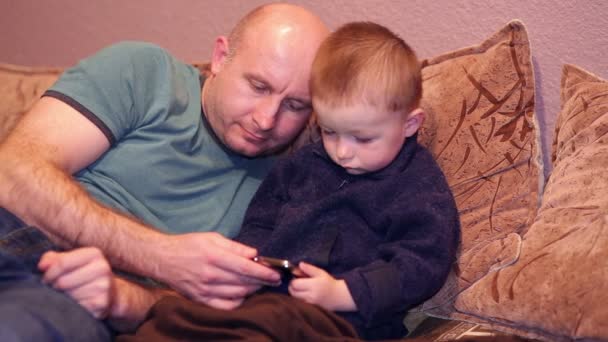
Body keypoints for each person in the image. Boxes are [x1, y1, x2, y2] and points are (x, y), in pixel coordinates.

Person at [0, 2, 329, 339]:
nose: (265, 119)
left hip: (73, 298)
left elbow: (214, 307)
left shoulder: (292, 188)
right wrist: (160, 255)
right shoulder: (145, 73)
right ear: (220, 57)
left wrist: (120, 298)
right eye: (258, 86)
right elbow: (12, 173)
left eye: (295, 105)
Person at [120, 21, 460, 341]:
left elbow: (423, 261)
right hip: (263, 302)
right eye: (329, 132)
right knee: (172, 314)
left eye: (363, 139)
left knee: (263, 324)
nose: (342, 152)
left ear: (410, 124)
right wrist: (247, 264)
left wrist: (345, 292)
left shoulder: (416, 185)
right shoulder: (301, 166)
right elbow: (260, 224)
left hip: (339, 320)